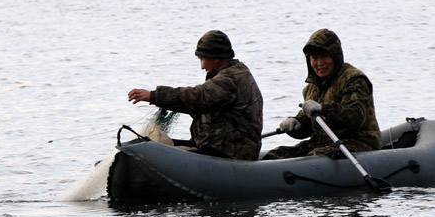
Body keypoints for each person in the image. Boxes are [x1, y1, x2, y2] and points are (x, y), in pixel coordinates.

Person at [127, 30, 264, 161]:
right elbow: (206, 107)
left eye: (202, 59)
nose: (202, 66)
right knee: (144, 145)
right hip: (218, 146)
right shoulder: (233, 73)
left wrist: (154, 96)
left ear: (215, 58)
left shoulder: (231, 79)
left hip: (232, 153)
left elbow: (198, 98)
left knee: (152, 151)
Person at [263, 28, 380, 160]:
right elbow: (309, 125)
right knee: (276, 155)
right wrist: (296, 123)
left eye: (324, 56)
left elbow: (355, 116)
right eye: (314, 58)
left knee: (315, 158)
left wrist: (323, 109)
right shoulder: (312, 88)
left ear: (335, 56)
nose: (319, 63)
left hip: (357, 142)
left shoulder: (353, 80)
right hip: (322, 143)